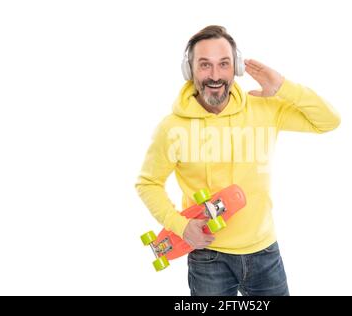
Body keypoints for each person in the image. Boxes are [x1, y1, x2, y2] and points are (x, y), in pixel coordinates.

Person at [136, 25, 341, 296]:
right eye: (204, 65)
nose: (215, 75)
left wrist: (283, 87)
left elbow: (329, 121)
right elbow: (147, 183)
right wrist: (181, 226)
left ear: (236, 67)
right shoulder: (172, 128)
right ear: (189, 70)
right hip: (208, 257)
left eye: (224, 64)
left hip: (265, 252)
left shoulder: (264, 108)